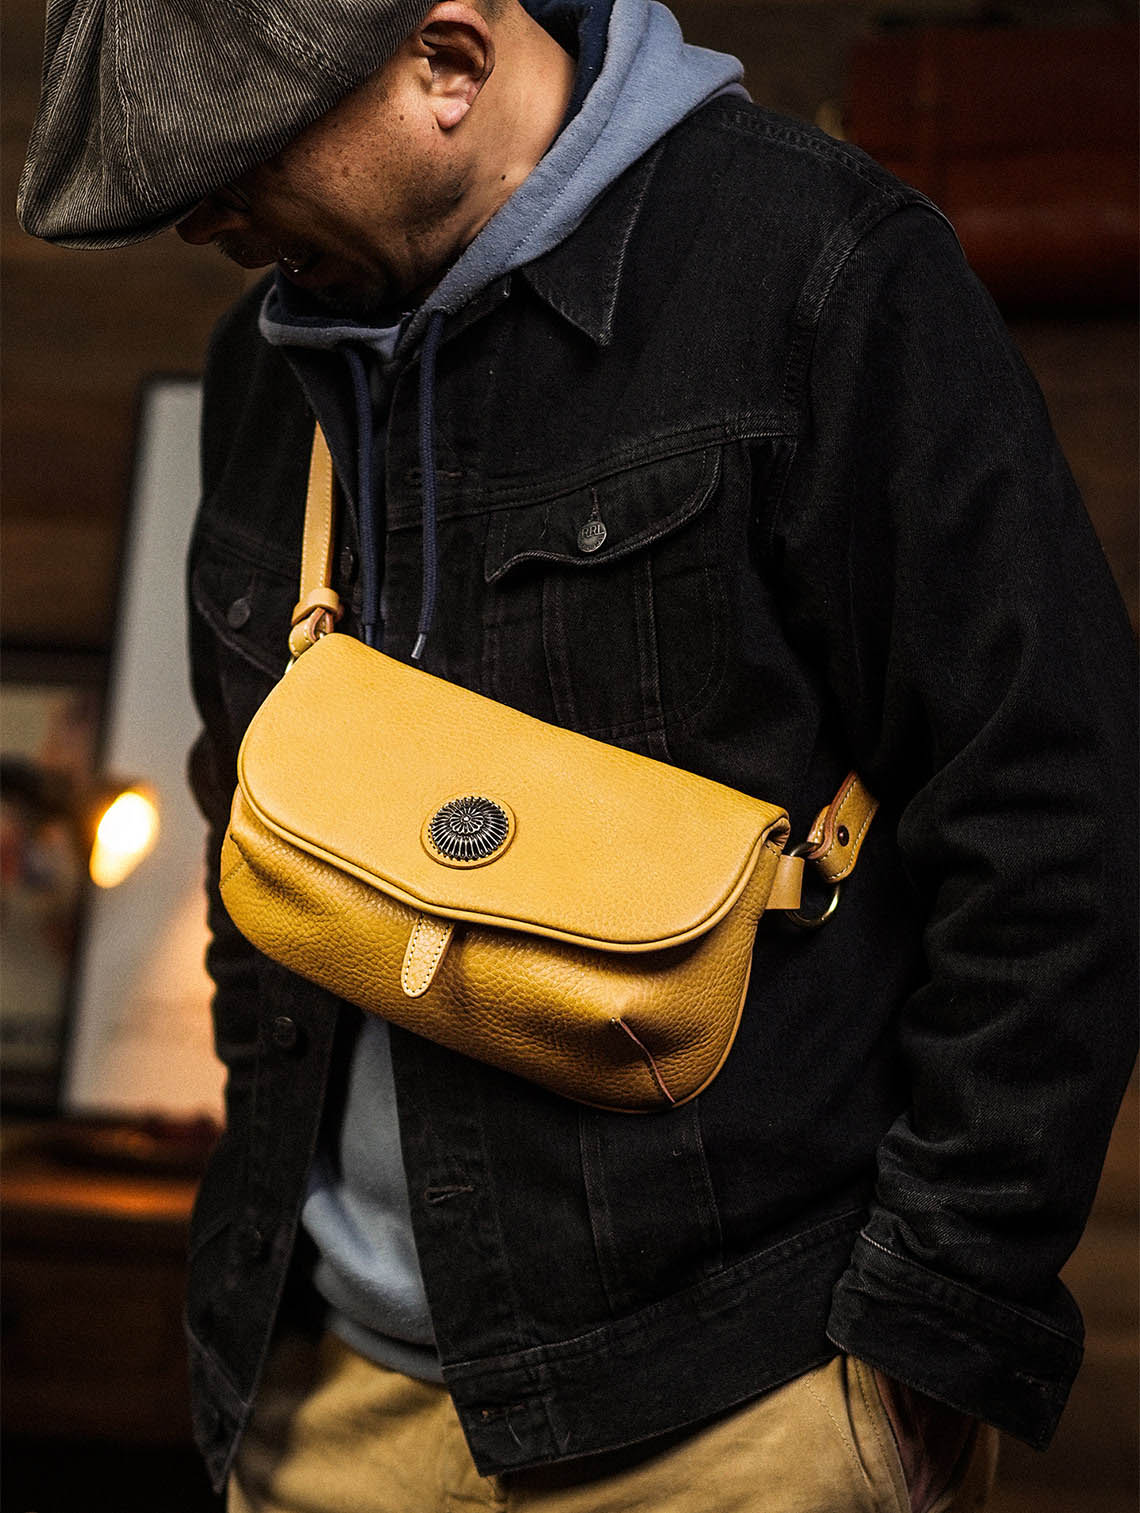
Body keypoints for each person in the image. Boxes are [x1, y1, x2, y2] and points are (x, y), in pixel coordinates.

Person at [18, 1, 1138, 1509]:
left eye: (243, 161)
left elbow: (1053, 807)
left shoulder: (820, 272)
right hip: (321, 1405)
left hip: (740, 1412)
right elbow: (244, 824)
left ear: (448, 65)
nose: (206, 218)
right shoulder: (260, 369)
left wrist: (928, 1320)